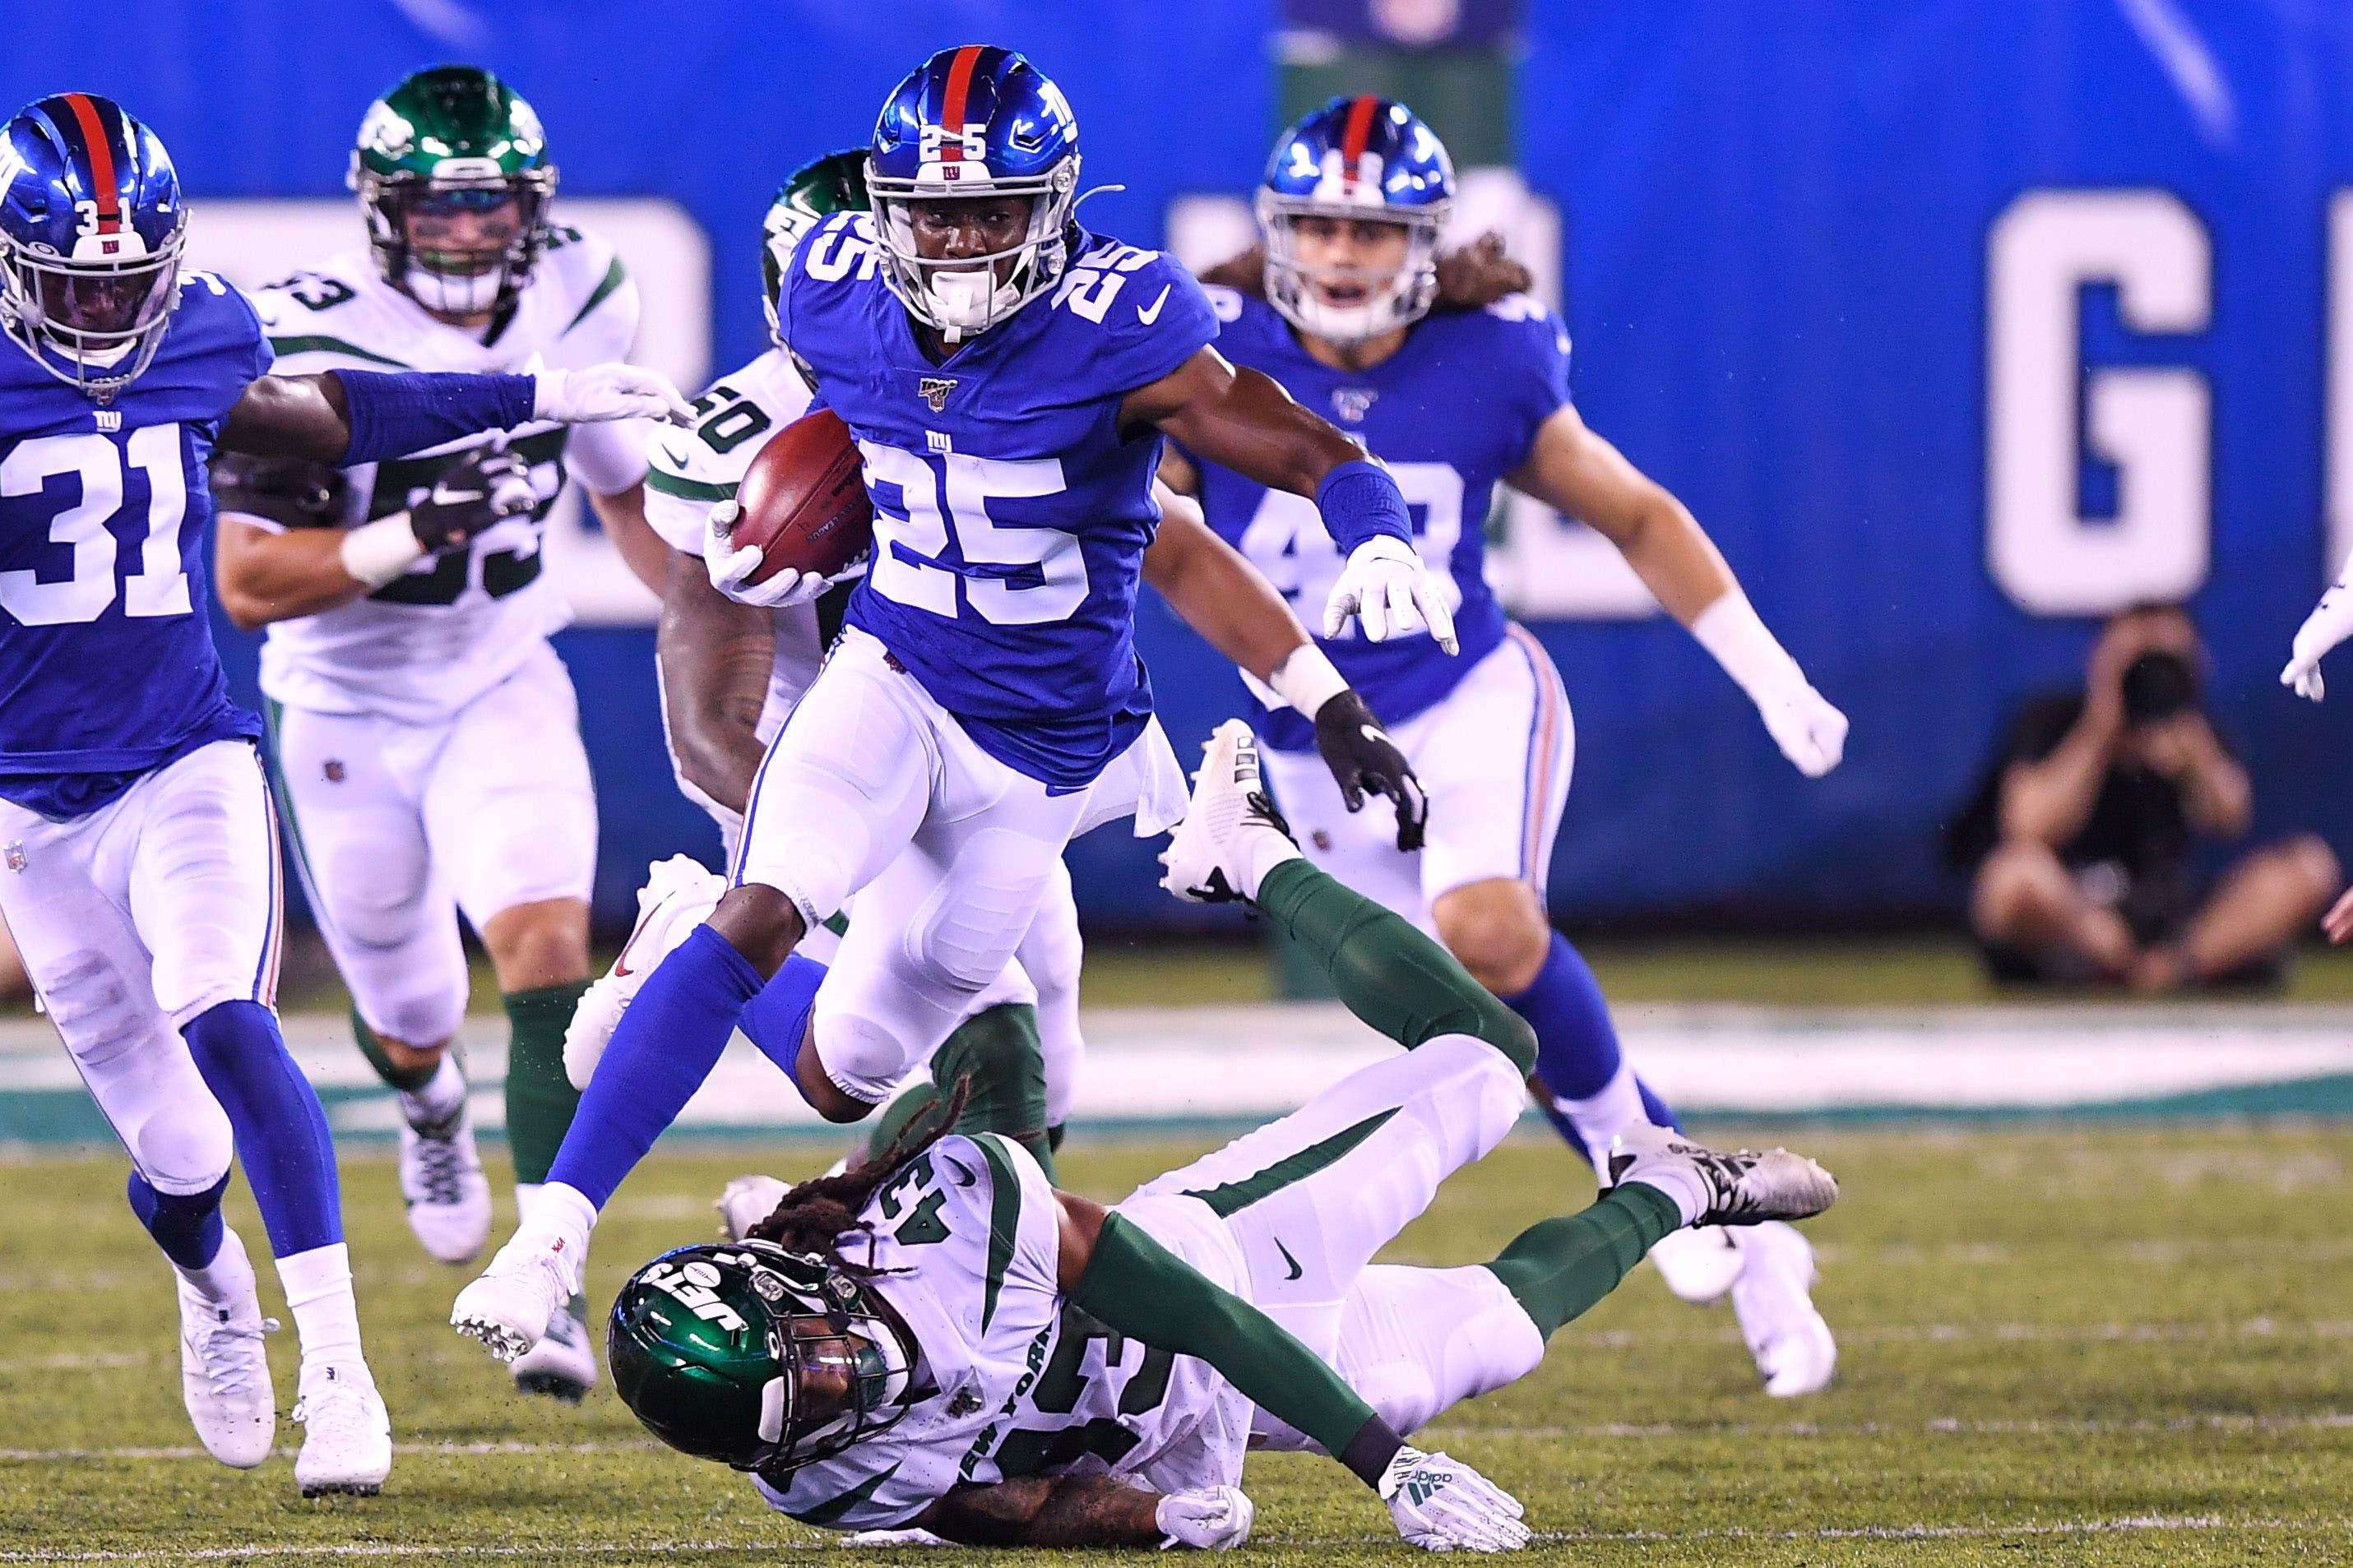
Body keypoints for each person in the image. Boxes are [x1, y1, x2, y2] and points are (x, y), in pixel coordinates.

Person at [448, 44, 1459, 1361]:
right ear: (882, 212)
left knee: (867, 1064)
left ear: (1055, 206)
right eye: (932, 211)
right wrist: (768, 578)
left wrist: (1365, 555)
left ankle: (891, 1211)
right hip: (888, 685)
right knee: (765, 910)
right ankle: (552, 1239)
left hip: (1044, 747)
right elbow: (710, 661)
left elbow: (1287, 449)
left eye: (991, 209)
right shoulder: (825, 309)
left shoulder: (1119, 327)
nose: (961, 240)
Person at [602, 721, 1840, 1550]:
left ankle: (1250, 853)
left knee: (1487, 1063)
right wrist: (1154, 1520)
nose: (838, 1386)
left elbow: (1202, 1315)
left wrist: (1380, 1461)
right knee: (1501, 1331)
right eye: (807, 1400)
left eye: (813, 1359)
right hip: (1211, 1417)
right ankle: (1672, 1188)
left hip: (1237, 1264)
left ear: (791, 1284)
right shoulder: (817, 1474)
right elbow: (1002, 1503)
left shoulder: (952, 1231)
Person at [0, 93, 685, 1492]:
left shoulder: (199, 328)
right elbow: (269, 549)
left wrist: (536, 395)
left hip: (188, 756)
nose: (107, 317)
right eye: (77, 285)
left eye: (132, 282)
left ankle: (342, 1371)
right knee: (184, 1157)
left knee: (233, 1020)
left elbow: (341, 410)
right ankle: (212, 1284)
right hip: (37, 808)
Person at [1160, 97, 1845, 1395]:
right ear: (1274, 232)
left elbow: (1635, 514)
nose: (1345, 252)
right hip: (1311, 742)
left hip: (1470, 697)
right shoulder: (1209, 353)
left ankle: (1626, 1167)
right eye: (1317, 222)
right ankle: (1706, 1201)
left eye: (1372, 226)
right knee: (1460, 1025)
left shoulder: (1491, 358)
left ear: (1425, 241)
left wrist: (1769, 674)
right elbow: (1145, 527)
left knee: (1488, 928)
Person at [206, 66, 663, 1401]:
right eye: (438, 209)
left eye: (489, 207)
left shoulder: (589, 288)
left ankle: (550, 1270)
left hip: (499, 673)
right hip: (344, 701)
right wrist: (415, 525)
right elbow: (248, 582)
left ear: (532, 207)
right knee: (406, 1013)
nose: (467, 234)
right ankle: (427, 1110)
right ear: (383, 213)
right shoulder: (305, 334)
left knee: (545, 954)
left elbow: (623, 493)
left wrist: (714, 604)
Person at [1952, 604, 2339, 989]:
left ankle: (2168, 970)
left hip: (2172, 918)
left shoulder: (2194, 731)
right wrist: (2101, 730)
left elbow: (2231, 819)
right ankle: (2117, 965)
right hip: (2076, 913)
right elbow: (2027, 827)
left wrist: (2194, 754)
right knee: (2012, 878)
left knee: (2310, 865)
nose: (2148, 674)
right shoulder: (2052, 718)